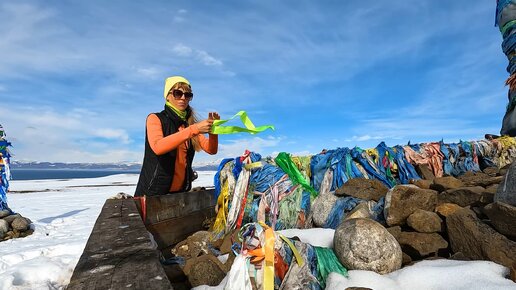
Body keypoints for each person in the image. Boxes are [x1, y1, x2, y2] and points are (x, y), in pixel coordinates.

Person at [135, 76, 219, 196]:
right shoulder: (155, 118)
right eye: (178, 93)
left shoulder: (189, 126)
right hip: (152, 194)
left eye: (188, 95)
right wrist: (194, 129)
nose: (183, 98)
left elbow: (211, 150)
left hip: (180, 195)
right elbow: (158, 147)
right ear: (168, 96)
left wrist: (213, 131)